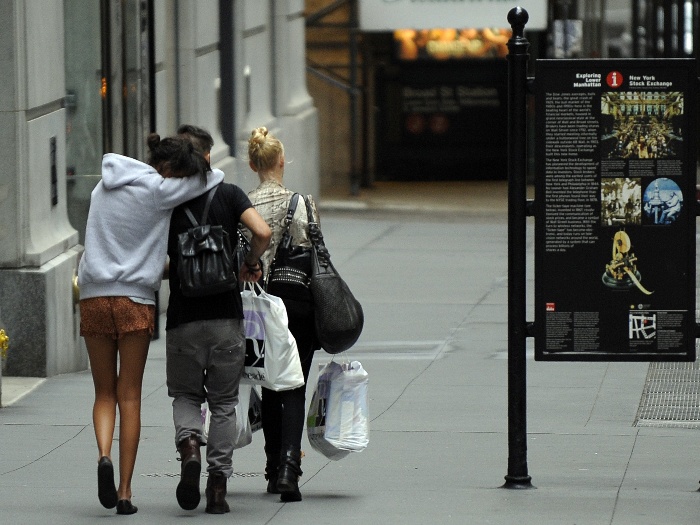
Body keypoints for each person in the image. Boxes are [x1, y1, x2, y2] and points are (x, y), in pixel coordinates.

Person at [78, 134, 224, 515]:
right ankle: (125, 493)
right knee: (129, 396)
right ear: (171, 170)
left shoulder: (101, 187)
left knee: (103, 394)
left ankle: (103, 456)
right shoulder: (159, 192)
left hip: (93, 296)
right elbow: (211, 178)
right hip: (134, 301)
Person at [165, 124, 271, 514]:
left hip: (182, 319)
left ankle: (190, 445)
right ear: (207, 156)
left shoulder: (168, 202)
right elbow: (262, 231)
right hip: (226, 316)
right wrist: (247, 262)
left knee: (187, 395)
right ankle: (217, 488)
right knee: (225, 402)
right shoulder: (229, 194)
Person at [243, 126, 320, 502]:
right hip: (297, 303)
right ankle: (290, 467)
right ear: (281, 161)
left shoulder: (243, 203)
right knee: (294, 382)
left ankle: (274, 466)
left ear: (252, 163)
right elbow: (316, 253)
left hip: (260, 303)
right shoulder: (302, 203)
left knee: (268, 381)